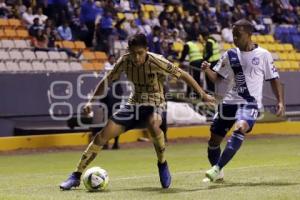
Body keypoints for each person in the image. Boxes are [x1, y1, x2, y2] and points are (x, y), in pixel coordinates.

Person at [59, 33, 215, 190]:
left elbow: (184, 74)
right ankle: (76, 175)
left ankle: (162, 162)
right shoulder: (125, 61)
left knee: (153, 123)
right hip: (134, 104)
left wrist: (203, 94)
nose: (136, 57)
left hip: (156, 102)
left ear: (146, 50)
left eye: (140, 53)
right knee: (102, 135)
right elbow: (107, 80)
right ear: (128, 51)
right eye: (133, 53)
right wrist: (90, 101)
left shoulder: (157, 61)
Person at [201, 19, 285, 182]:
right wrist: (207, 70)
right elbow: (217, 79)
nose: (235, 38)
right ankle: (219, 173)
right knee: (213, 141)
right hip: (228, 103)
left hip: (250, 103)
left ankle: (217, 168)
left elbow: (274, 79)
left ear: (249, 34)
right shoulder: (230, 54)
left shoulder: (264, 55)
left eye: (238, 35)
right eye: (233, 35)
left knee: (240, 128)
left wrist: (280, 101)